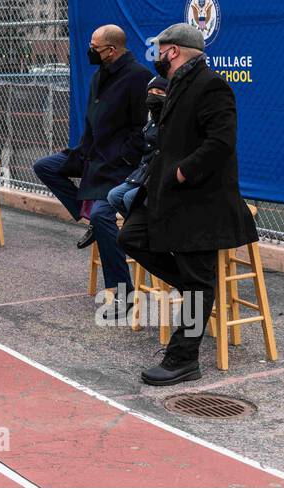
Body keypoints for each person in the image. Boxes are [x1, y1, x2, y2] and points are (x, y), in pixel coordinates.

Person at [119, 24, 259, 387]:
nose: (156, 58)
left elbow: (221, 142)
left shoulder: (212, 85)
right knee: (131, 237)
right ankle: (199, 292)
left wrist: (183, 173)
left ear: (174, 51)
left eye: (160, 51)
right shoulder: (178, 83)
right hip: (167, 195)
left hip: (200, 202)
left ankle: (184, 359)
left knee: (198, 281)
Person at [31, 24, 151, 318]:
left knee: (102, 214)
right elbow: (93, 122)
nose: (90, 51)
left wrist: (122, 159)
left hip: (118, 166)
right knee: (45, 166)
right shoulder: (100, 76)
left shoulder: (138, 77)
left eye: (94, 47)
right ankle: (87, 218)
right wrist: (80, 153)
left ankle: (125, 295)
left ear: (111, 50)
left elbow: (142, 131)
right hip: (91, 155)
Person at [106, 76, 168, 218]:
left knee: (130, 198)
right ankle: (136, 228)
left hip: (159, 174)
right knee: (114, 196)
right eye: (150, 92)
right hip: (143, 172)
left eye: (159, 93)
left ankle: (141, 231)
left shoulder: (170, 120)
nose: (153, 97)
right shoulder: (151, 119)